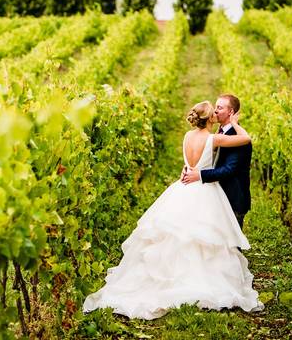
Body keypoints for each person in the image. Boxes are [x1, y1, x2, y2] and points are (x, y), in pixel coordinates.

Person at [82, 100, 262, 320]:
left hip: (184, 186)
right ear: (209, 119)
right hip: (204, 190)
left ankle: (168, 276)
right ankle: (197, 279)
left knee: (176, 233)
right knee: (201, 236)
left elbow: (189, 163)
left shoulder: (187, 137)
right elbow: (245, 139)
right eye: (213, 111)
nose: (216, 113)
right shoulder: (213, 139)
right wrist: (236, 122)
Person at [180, 94, 252, 230]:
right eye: (215, 107)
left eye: (219, 107)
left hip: (232, 197)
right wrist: (190, 167)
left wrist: (199, 174)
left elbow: (230, 169)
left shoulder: (236, 137)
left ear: (231, 112)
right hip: (212, 195)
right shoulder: (216, 135)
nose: (215, 111)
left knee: (231, 245)